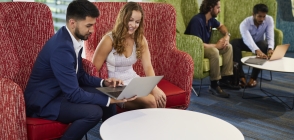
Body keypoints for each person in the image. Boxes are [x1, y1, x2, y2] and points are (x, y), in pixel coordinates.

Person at [24, 0, 136, 139]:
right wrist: (110, 101)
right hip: (44, 102)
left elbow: (80, 76)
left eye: (93, 25)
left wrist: (104, 83)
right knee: (94, 112)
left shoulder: (73, 39)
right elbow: (74, 94)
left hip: (61, 92)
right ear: (72, 23)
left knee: (109, 94)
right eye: (88, 26)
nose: (92, 30)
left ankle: (113, 136)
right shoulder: (62, 48)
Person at [92, 2, 166, 109]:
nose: (133, 25)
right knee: (151, 102)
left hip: (133, 80)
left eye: (137, 22)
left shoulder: (140, 39)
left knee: (160, 98)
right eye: (130, 20)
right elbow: (93, 70)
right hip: (116, 86)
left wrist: (155, 88)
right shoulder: (108, 40)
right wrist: (103, 89)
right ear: (123, 18)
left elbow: (148, 66)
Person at [185, 0, 240, 98]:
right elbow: (198, 44)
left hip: (204, 47)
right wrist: (216, 46)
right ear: (211, 8)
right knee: (214, 51)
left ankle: (224, 80)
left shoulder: (210, 20)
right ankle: (214, 85)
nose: (219, 10)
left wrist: (227, 36)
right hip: (195, 50)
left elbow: (221, 26)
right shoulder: (197, 21)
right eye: (218, 8)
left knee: (228, 47)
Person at [230, 4, 274, 87]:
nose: (262, 19)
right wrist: (257, 50)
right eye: (259, 16)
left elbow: (270, 36)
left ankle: (253, 78)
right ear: (253, 14)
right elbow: (247, 39)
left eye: (264, 16)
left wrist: (270, 48)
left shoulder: (269, 20)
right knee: (234, 43)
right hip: (246, 43)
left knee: (264, 44)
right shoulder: (244, 24)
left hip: (259, 43)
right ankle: (241, 76)